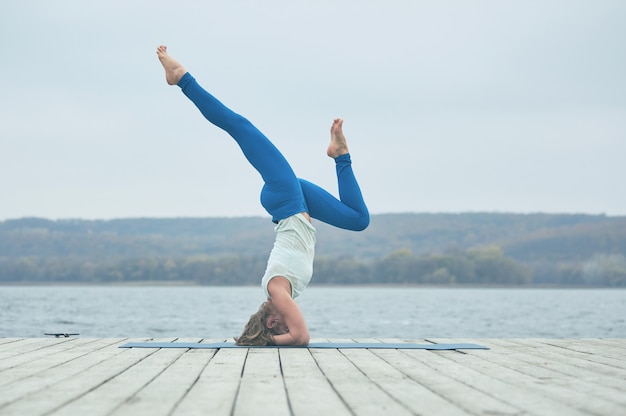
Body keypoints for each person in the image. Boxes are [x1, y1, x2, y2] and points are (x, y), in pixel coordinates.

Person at [156, 45, 369, 346]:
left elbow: (302, 337)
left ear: (272, 321)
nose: (290, 322)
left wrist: (266, 342)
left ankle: (182, 79)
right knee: (359, 220)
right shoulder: (284, 290)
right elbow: (297, 334)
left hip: (286, 200)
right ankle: (340, 155)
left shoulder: (277, 292)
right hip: (296, 201)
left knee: (241, 128)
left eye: (280, 327)